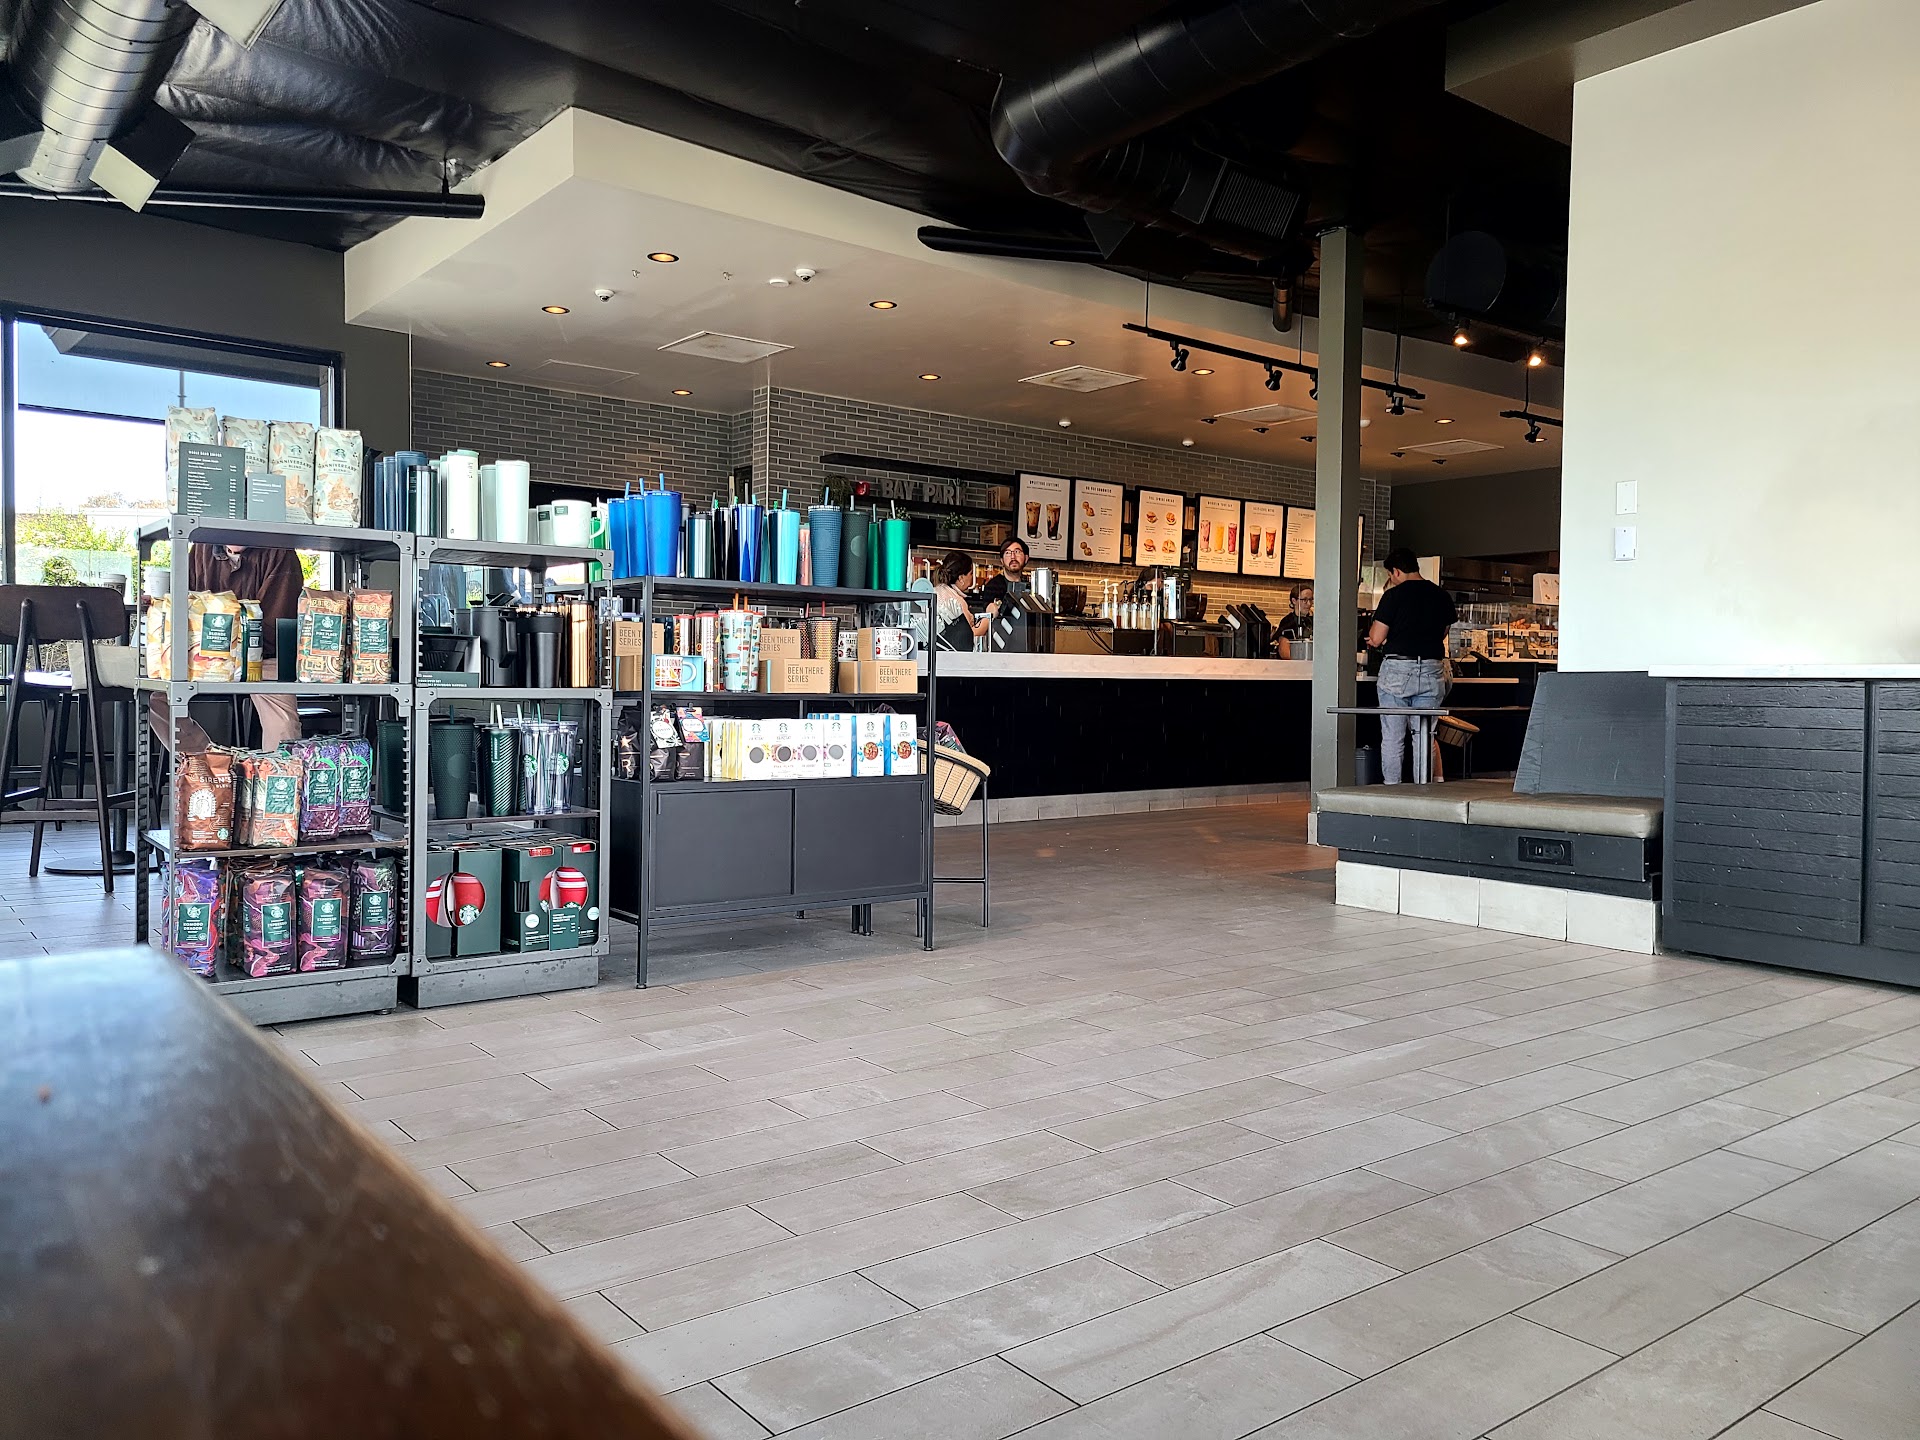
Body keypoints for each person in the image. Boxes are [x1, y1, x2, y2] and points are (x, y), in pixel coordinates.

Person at [148, 543, 304, 754]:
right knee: (160, 694)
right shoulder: (201, 547)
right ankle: (206, 762)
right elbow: (183, 604)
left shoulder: (280, 551)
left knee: (283, 719)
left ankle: (278, 771)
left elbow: (278, 625)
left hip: (261, 659)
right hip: (203, 659)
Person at [1367, 548, 1455, 784]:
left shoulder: (1393, 596)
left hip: (1398, 670)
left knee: (1393, 737)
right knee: (1424, 736)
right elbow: (1443, 632)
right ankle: (1422, 792)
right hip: (1431, 670)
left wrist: (1378, 639)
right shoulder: (1441, 595)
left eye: (1390, 575)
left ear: (1396, 571)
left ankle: (1392, 791)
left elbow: (1376, 637)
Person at [934, 551, 995, 650]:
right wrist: (989, 618)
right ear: (961, 578)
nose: (973, 577)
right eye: (971, 573)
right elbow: (968, 636)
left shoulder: (938, 590)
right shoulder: (956, 601)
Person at [976, 536, 1031, 611]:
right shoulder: (993, 586)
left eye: (1017, 552)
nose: (1013, 557)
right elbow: (989, 612)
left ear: (1026, 558)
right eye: (1007, 553)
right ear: (1002, 560)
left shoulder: (1031, 586)